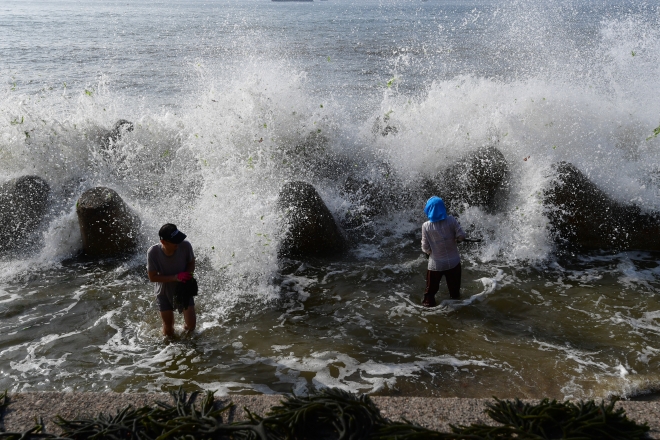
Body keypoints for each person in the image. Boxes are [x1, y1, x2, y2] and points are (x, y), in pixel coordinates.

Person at [147, 223, 196, 336]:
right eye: (175, 242)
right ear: (163, 242)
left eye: (179, 239)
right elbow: (152, 277)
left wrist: (188, 274)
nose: (178, 244)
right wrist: (175, 277)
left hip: (183, 288)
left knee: (191, 326)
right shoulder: (153, 252)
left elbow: (191, 262)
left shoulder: (185, 245)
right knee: (168, 329)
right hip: (163, 291)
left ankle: (187, 347)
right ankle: (169, 350)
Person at [421, 196, 465, 307]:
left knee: (429, 294)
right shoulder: (451, 220)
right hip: (454, 263)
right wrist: (457, 239)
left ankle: (429, 315)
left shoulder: (426, 226)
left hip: (436, 264)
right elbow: (461, 236)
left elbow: (425, 247)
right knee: (455, 294)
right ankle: (457, 313)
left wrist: (430, 252)